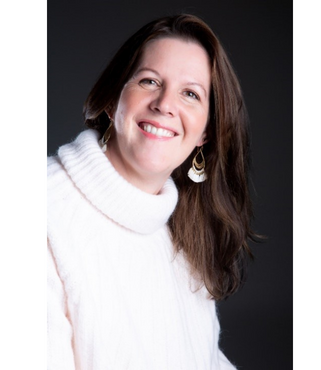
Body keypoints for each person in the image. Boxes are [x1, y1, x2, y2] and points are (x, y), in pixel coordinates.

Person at [47, 14, 255, 370]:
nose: (165, 104)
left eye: (191, 94)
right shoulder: (41, 212)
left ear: (205, 134)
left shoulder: (183, 237)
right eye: (149, 81)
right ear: (113, 100)